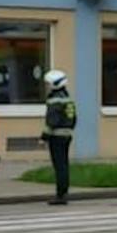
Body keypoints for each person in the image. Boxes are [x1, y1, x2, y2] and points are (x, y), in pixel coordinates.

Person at [42, 68, 76, 204]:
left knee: (59, 166)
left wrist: (44, 136)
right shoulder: (67, 98)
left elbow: (52, 120)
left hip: (56, 136)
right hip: (67, 135)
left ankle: (60, 195)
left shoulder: (54, 100)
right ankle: (64, 192)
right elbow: (73, 118)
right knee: (64, 165)